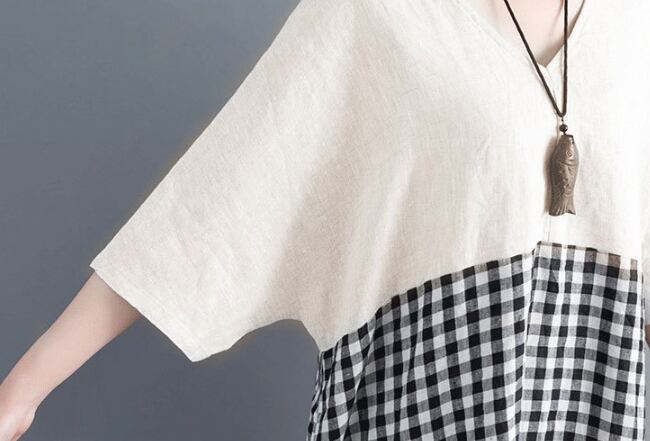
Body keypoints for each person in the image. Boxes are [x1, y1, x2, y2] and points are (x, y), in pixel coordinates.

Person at [2, 0, 650, 439]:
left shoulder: (634, 23)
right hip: (419, 411)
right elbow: (209, 210)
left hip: (608, 404)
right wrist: (22, 392)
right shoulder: (373, 14)